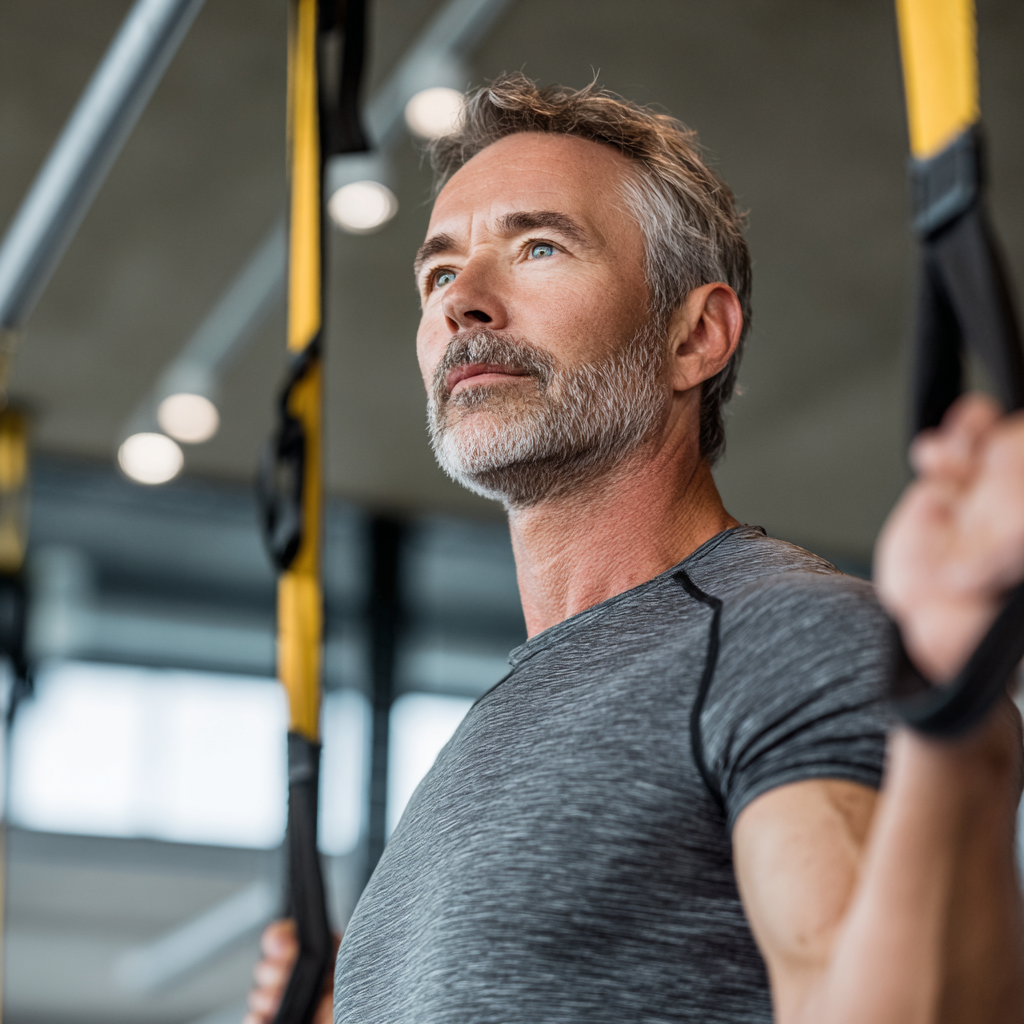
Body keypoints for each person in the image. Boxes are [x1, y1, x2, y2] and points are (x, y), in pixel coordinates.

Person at [246, 76, 1024, 1024]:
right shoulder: (495, 730)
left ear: (695, 336)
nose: (465, 305)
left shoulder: (787, 637)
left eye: (537, 247)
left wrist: (951, 708)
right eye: (440, 273)